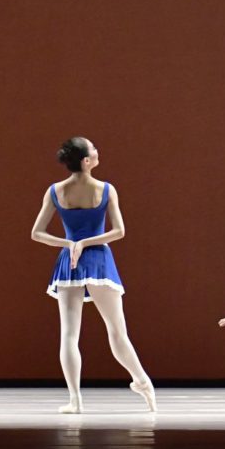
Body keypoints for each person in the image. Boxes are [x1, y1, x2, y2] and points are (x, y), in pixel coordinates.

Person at [30, 137, 155, 414]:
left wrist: (73, 243)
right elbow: (119, 231)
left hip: (70, 263)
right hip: (99, 260)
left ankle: (75, 401)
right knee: (117, 332)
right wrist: (86, 243)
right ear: (86, 161)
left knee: (69, 335)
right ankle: (143, 381)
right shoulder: (106, 189)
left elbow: (37, 233)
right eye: (93, 149)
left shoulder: (56, 191)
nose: (98, 151)